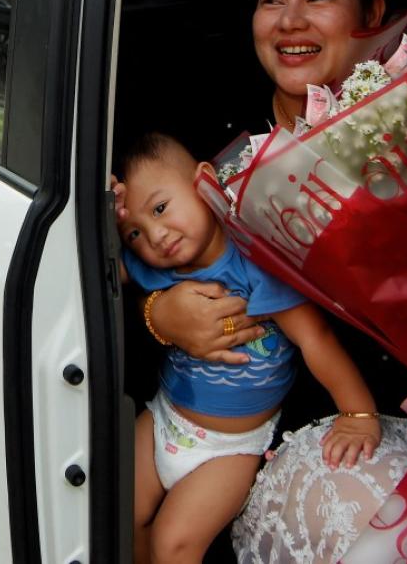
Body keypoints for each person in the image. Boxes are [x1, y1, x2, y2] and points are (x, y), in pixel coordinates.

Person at [116, 0, 407, 560]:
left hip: (343, 430)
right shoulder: (208, 132)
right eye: (269, 0)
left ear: (370, 14)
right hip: (199, 408)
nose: (289, 21)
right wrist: (158, 315)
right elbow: (141, 248)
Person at [117, 132, 380, 564]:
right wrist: (105, 209)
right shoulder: (151, 267)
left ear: (205, 182)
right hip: (163, 417)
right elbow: (92, 258)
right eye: (134, 233)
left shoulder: (255, 262)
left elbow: (315, 337)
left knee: (174, 544)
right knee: (122, 513)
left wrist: (359, 413)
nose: (156, 235)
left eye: (161, 208)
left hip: (230, 448)